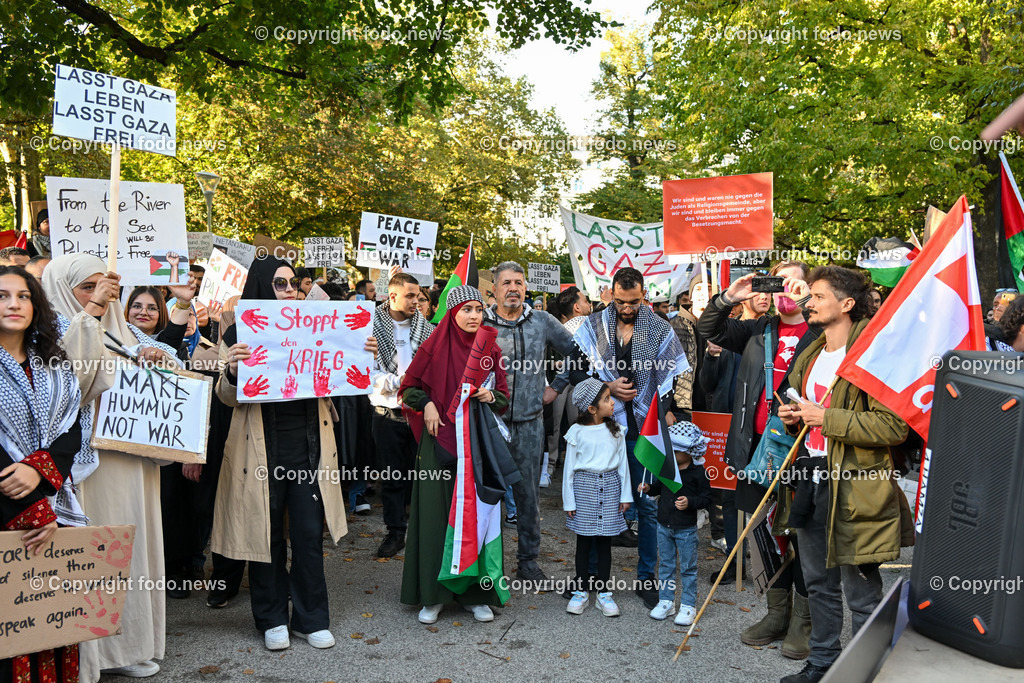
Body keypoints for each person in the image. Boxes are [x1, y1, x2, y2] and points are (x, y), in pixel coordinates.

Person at [214, 257, 373, 652]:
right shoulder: (237, 332)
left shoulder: (314, 326)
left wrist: (359, 349)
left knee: (306, 536)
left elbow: (343, 374)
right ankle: (271, 618)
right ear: (261, 286)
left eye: (292, 284)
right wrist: (233, 371)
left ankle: (311, 618)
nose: (288, 291)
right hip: (260, 455)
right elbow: (225, 397)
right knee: (263, 536)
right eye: (279, 284)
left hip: (310, 451)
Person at [43, 254, 181, 681]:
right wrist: (90, 314)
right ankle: (91, 654)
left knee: (133, 553)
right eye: (86, 288)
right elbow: (71, 383)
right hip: (89, 471)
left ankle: (129, 645)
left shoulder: (126, 335)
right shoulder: (46, 339)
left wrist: (159, 368)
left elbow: (170, 391)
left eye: (105, 288)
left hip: (132, 464)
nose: (99, 295)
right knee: (95, 559)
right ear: (62, 291)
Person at [777, 266, 910, 683]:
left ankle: (872, 670)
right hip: (811, 478)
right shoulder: (812, 353)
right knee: (818, 582)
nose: (809, 303)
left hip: (856, 486)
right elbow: (803, 413)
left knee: (861, 591)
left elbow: (894, 427)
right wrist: (793, 418)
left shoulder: (873, 355)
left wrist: (825, 417)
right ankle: (823, 664)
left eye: (817, 296)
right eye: (810, 296)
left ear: (847, 304)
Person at [696, 260, 820, 658]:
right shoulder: (758, 330)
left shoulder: (822, 333)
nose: (784, 289)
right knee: (766, 534)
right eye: (778, 281)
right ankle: (776, 614)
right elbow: (707, 328)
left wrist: (813, 308)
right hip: (755, 454)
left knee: (803, 536)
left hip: (803, 454)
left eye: (794, 282)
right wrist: (730, 297)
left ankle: (804, 621)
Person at [567, 267, 689, 609]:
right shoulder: (591, 326)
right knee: (596, 503)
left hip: (642, 431)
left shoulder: (660, 327)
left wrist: (664, 410)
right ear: (611, 294)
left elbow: (669, 380)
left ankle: (647, 577)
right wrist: (607, 388)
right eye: (621, 301)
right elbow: (575, 369)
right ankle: (588, 578)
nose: (627, 307)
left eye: (634, 301)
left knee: (648, 506)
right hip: (600, 429)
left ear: (643, 293)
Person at [399, 285, 512, 624]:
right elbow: (408, 388)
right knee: (436, 519)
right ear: (451, 313)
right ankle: (433, 596)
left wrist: (490, 396)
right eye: (466, 309)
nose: (474, 315)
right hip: (438, 446)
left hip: (477, 446)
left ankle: (475, 594)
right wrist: (428, 404)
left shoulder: (490, 348)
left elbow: (505, 398)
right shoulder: (433, 346)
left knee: (478, 518)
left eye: (478, 309)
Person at [0, 265, 84, 683]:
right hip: (5, 509)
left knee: (53, 618)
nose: (13, 304)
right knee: (9, 625)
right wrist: (30, 503)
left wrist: (40, 471)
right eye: (2, 295)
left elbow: (72, 430)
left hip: (55, 500)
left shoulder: (54, 361)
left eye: (23, 296)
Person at [483, 262, 575, 582]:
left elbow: (577, 352)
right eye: (506, 282)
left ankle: (528, 562)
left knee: (528, 497)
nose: (513, 288)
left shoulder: (543, 321)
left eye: (519, 283)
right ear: (493, 289)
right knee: (485, 496)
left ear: (526, 288)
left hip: (530, 424)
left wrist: (556, 387)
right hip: (488, 425)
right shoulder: (479, 321)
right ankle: (484, 565)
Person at [370, 272, 435, 557]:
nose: (417, 301)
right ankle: (395, 532)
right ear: (391, 295)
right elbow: (364, 372)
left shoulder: (429, 330)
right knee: (392, 476)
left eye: (419, 296)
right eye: (410, 296)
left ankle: (422, 532)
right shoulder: (369, 327)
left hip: (420, 411)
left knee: (423, 476)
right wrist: (398, 382)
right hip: (387, 411)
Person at [562, 379, 632, 617]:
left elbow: (623, 466)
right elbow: (569, 470)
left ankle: (603, 593)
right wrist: (569, 501)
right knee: (583, 543)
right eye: (606, 399)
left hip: (610, 488)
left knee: (604, 544)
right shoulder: (577, 432)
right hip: (584, 490)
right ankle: (581, 590)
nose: (612, 402)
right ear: (591, 409)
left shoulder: (616, 431)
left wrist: (626, 496)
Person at [641, 422, 711, 627]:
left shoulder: (699, 473)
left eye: (676, 450)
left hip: (686, 528)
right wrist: (648, 488)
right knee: (665, 565)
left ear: (689, 452)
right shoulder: (666, 468)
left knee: (688, 567)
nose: (671, 452)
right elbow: (659, 489)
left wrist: (690, 503)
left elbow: (707, 499)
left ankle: (688, 605)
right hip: (663, 525)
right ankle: (666, 601)